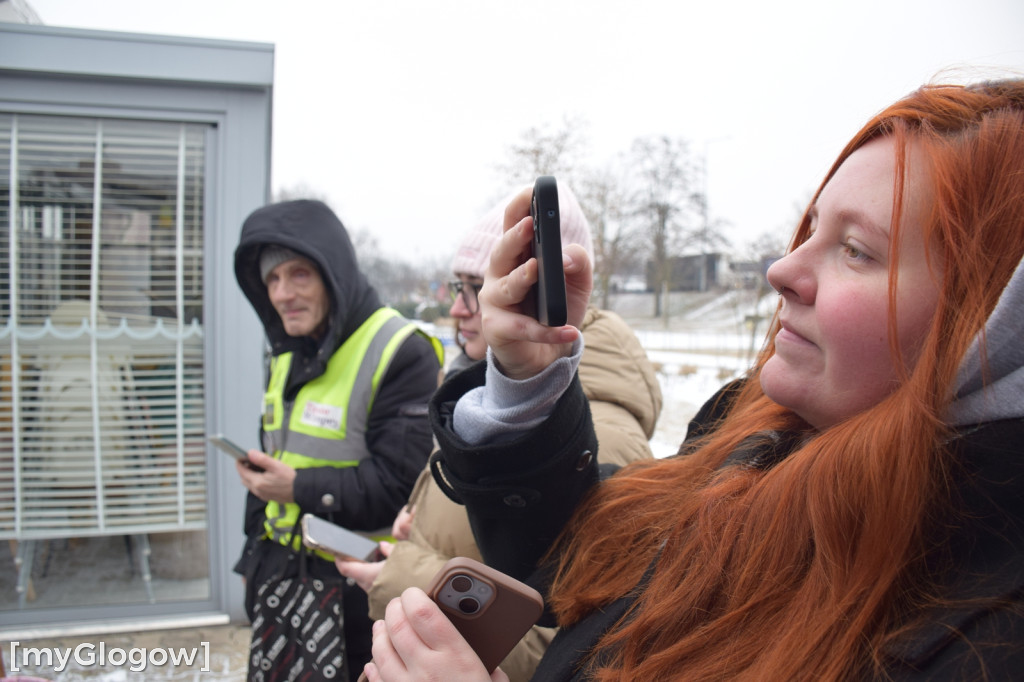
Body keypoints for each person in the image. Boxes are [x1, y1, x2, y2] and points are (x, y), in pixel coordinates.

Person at [363, 79, 1024, 681]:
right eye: (811, 227)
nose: (782, 268)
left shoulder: (989, 640)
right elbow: (584, 562)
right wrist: (528, 379)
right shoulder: (749, 436)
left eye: (856, 250)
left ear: (989, 325)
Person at [336, 182, 663, 681]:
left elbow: (571, 646)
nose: (461, 308)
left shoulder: (602, 438)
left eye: (480, 285)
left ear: (541, 293)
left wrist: (401, 577)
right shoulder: (494, 403)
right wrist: (421, 525)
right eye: (461, 285)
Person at [230, 199, 443, 682]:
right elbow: (277, 458)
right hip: (281, 576)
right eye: (272, 280)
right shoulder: (288, 350)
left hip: (356, 596)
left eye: (298, 274)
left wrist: (297, 488)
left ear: (333, 275)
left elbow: (399, 489)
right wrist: (252, 560)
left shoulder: (398, 350)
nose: (283, 293)